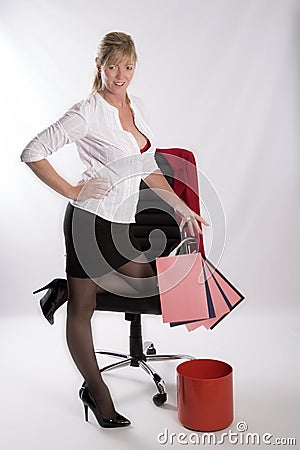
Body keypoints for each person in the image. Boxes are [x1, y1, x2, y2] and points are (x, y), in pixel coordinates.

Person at [21, 31, 209, 428]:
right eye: (112, 66)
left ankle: (63, 287)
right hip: (89, 220)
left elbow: (148, 167)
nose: (120, 74)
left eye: (127, 66)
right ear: (99, 67)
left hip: (123, 220)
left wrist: (181, 206)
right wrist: (73, 190)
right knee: (83, 309)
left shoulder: (135, 106)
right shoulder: (86, 112)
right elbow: (32, 152)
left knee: (146, 279)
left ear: (135, 65)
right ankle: (99, 394)